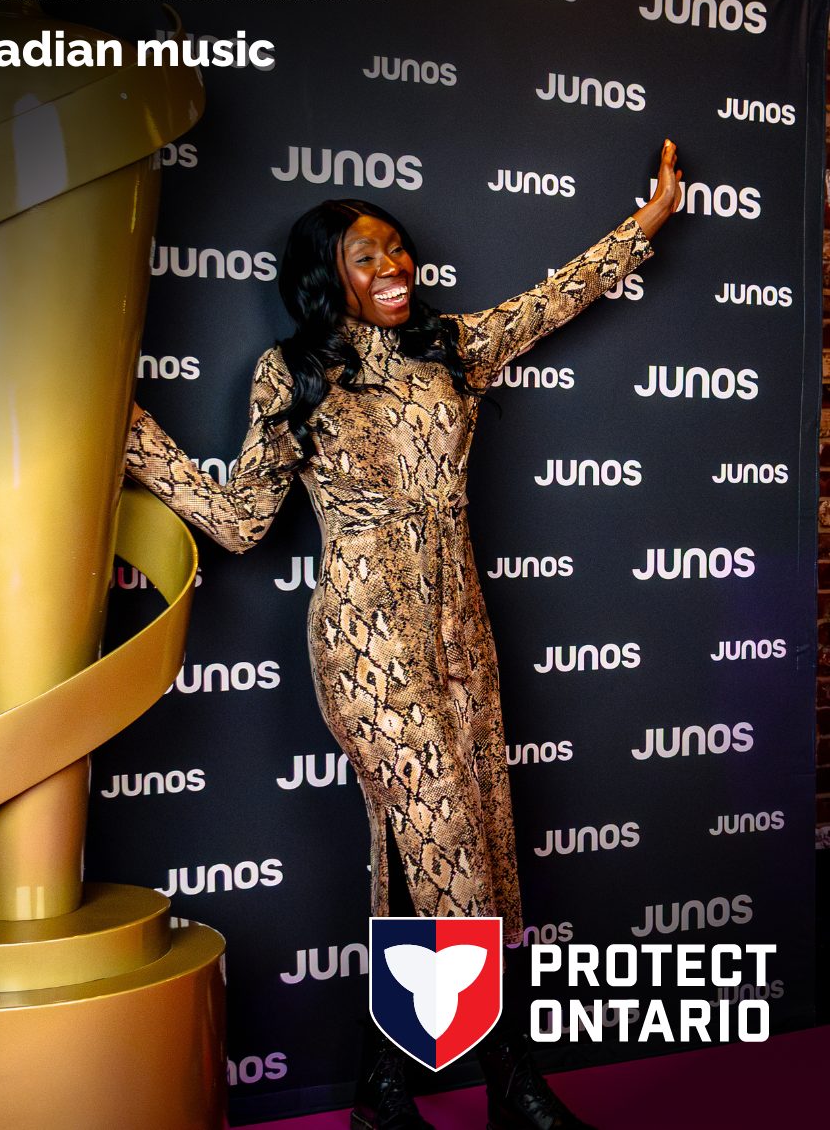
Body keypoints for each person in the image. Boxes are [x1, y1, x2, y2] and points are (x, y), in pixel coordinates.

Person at [125, 140, 684, 1130]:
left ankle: (383, 1092)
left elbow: (545, 305)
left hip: (459, 629)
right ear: (324, 278)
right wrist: (138, 442)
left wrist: (641, 229)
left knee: (458, 855)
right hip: (367, 635)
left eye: (397, 251)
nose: (392, 270)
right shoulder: (291, 375)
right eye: (365, 258)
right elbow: (245, 521)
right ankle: (513, 1084)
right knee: (453, 857)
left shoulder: (449, 348)